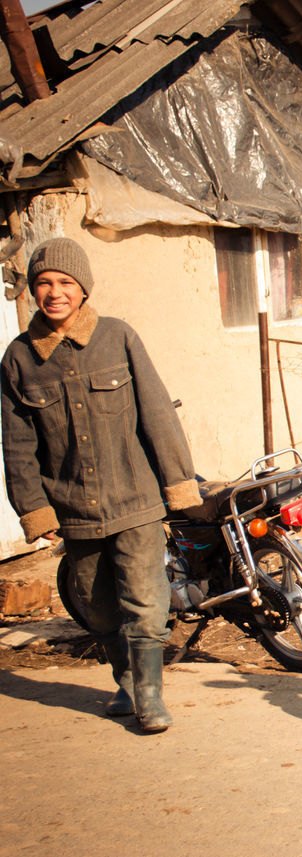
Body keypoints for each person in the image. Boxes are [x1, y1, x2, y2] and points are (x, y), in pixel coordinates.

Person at [1, 237, 201, 733]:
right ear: (32, 290)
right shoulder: (20, 359)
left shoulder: (118, 336)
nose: (54, 292)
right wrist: (35, 511)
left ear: (83, 288)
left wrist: (178, 483)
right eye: (44, 283)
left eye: (65, 283)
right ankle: (127, 681)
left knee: (145, 597)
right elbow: (18, 445)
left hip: (134, 500)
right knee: (94, 601)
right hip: (74, 508)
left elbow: (157, 413)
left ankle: (150, 695)